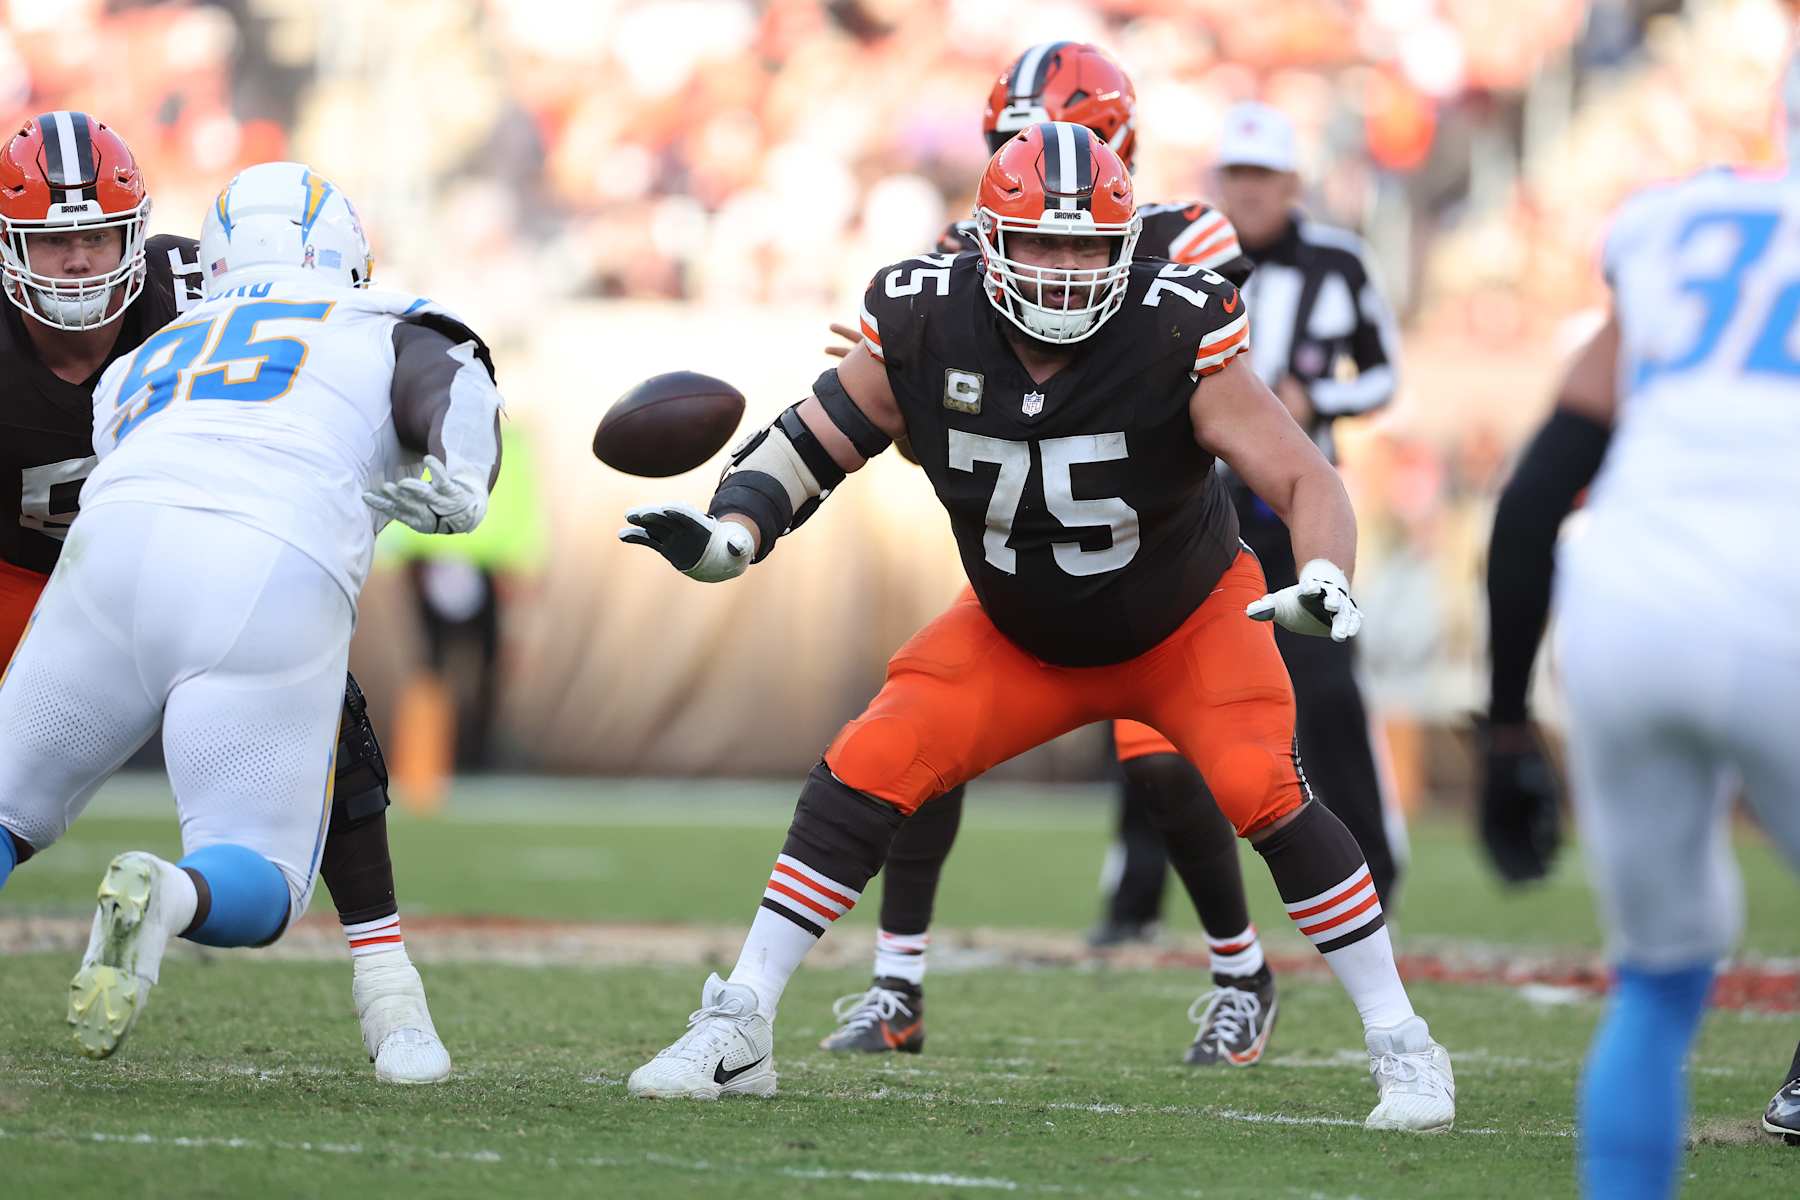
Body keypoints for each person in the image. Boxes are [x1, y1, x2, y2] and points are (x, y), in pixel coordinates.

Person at [620, 122, 1455, 1132]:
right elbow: (812, 439)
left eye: (1086, 246)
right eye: (1042, 241)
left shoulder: (1174, 325)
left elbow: (1304, 476)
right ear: (988, 240)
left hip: (1185, 623)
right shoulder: (926, 316)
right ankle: (741, 1021)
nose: (1063, 267)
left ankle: (1405, 1045)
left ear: (1125, 247)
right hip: (1019, 630)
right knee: (866, 763)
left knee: (1261, 788)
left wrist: (1323, 575)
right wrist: (733, 534)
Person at [821, 41, 1278, 1071]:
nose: (1030, 158)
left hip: (1158, 548)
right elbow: (940, 424)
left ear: (1113, 138)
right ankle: (896, 982)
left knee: (1172, 772)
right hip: (1028, 545)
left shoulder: (1185, 236)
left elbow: (1144, 387)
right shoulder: (968, 248)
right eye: (1012, 141)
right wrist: (897, 392)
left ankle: (1240, 972)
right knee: (926, 744)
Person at [0, 159, 503, 1068]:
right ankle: (171, 895)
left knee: (7, 812)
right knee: (261, 876)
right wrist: (464, 477)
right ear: (348, 256)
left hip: (105, 553)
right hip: (262, 567)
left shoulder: (145, 357)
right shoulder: (380, 319)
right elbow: (451, 387)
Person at [1484, 164, 1800, 1186]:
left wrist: (1504, 727)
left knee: (1657, 984)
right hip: (1783, 601)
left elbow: (1532, 498)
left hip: (1626, 609)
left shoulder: (1679, 223)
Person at [1210, 100, 1405, 907]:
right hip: (1203, 502)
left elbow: (1385, 376)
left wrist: (1317, 397)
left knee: (1326, 687)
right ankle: (1136, 894)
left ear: (1293, 181)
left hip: (1297, 507)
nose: (1250, 189)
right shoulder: (1189, 261)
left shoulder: (1340, 262)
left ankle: (1374, 871)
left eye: (1263, 173)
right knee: (1161, 687)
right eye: (1237, 173)